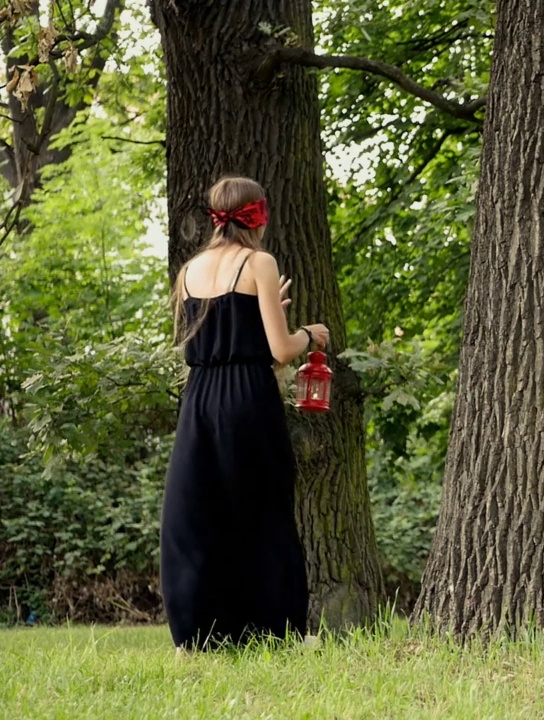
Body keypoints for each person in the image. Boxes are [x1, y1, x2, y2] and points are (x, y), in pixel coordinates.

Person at [161, 176, 329, 650]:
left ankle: (199, 635)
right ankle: (279, 631)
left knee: (198, 512)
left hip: (199, 399)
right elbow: (281, 350)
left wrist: (264, 319)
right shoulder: (260, 262)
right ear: (258, 213)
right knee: (262, 508)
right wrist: (310, 334)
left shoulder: (190, 270)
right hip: (248, 398)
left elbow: (208, 343)